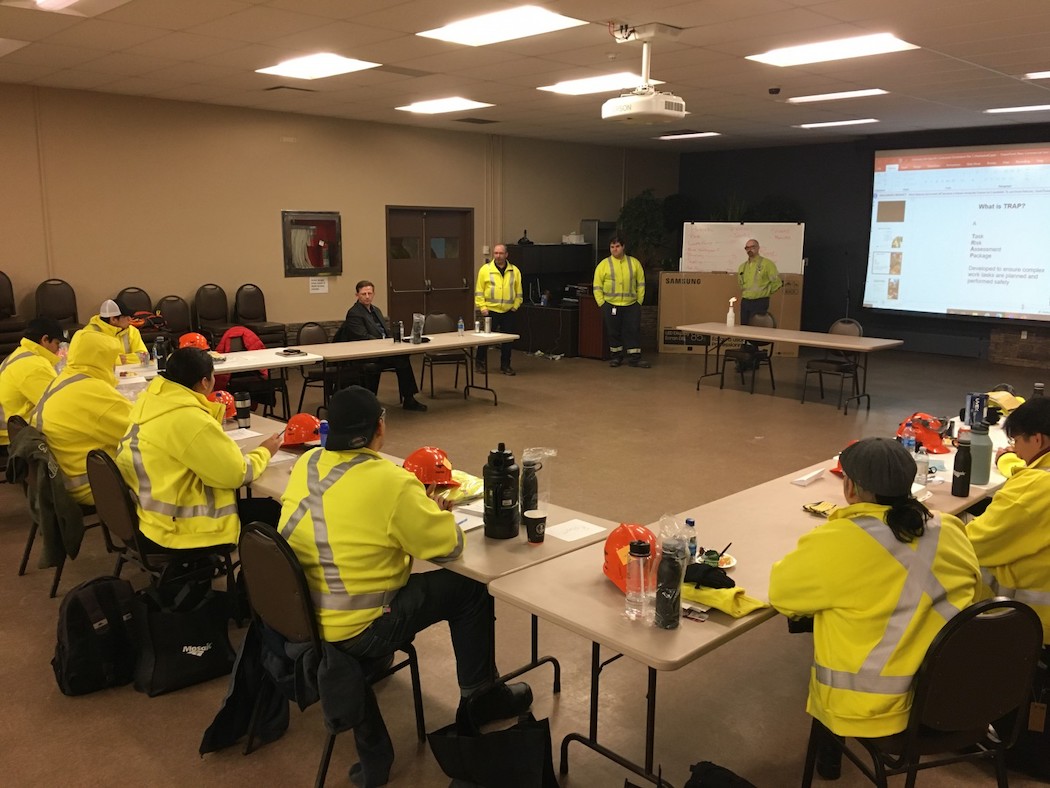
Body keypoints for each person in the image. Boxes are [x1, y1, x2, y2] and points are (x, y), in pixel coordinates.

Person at [279, 386, 532, 757]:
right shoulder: (394, 482)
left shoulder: (308, 463)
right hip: (357, 628)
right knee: (470, 588)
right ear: (379, 429)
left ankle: (473, 691)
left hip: (301, 618)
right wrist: (435, 512)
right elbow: (450, 546)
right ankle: (480, 697)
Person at [769, 438, 979, 775]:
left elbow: (781, 594)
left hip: (874, 711)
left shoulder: (838, 540)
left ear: (850, 486)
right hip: (954, 698)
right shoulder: (951, 529)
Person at [115, 347, 282, 549]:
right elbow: (236, 475)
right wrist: (264, 451)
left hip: (147, 515)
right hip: (179, 528)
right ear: (205, 382)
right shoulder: (189, 418)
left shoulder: (152, 401)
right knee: (273, 512)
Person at [945, 398, 1050, 647]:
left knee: (949, 555)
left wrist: (939, 524)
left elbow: (975, 543)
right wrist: (1008, 460)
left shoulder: (1036, 488)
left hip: (1031, 621)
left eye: (1016, 441)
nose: (1016, 449)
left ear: (1037, 439)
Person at [31, 330, 133, 506]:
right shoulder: (94, 391)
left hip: (62, 476)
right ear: (102, 358)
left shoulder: (65, 379)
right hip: (90, 485)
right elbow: (142, 432)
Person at [337, 280, 427, 412]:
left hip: (383, 350)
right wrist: (384, 343)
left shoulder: (376, 310)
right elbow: (362, 337)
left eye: (370, 293)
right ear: (357, 295)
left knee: (403, 357)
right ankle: (402, 399)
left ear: (373, 294)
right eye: (363, 294)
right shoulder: (354, 313)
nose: (367, 296)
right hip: (367, 354)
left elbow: (385, 331)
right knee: (400, 359)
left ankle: (409, 398)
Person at [0, 317, 64, 447]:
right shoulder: (35, 366)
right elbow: (57, 406)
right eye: (57, 344)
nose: (58, 350)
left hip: (9, 429)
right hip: (13, 437)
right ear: (45, 340)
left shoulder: (21, 354)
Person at [592, 236, 650, 368]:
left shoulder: (634, 263)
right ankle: (616, 357)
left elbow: (641, 284)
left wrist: (639, 301)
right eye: (612, 247)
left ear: (623, 247)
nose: (614, 249)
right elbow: (597, 286)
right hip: (611, 304)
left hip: (631, 305)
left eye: (617, 246)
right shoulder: (603, 265)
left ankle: (635, 358)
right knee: (613, 332)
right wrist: (602, 303)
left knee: (633, 330)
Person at [474, 243, 522, 375]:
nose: (498, 256)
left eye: (501, 253)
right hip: (490, 310)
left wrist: (515, 306)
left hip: (508, 311)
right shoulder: (485, 269)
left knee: (507, 341)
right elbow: (479, 291)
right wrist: (482, 307)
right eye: (495, 253)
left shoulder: (514, 271)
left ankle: (505, 365)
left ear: (506, 255)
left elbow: (519, 293)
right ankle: (479, 363)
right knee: (485, 339)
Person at [86, 298, 148, 365]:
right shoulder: (89, 333)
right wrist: (118, 360)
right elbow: (90, 361)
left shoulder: (132, 331)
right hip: (101, 374)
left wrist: (123, 359)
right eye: (125, 316)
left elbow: (144, 357)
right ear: (113, 319)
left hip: (130, 373)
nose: (130, 319)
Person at [737, 239, 782, 327]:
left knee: (757, 328)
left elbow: (777, 283)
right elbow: (741, 284)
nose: (750, 250)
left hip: (760, 301)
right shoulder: (742, 267)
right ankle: (745, 341)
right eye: (747, 248)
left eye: (752, 247)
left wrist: (766, 292)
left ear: (758, 248)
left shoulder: (767, 264)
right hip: (746, 301)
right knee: (744, 328)